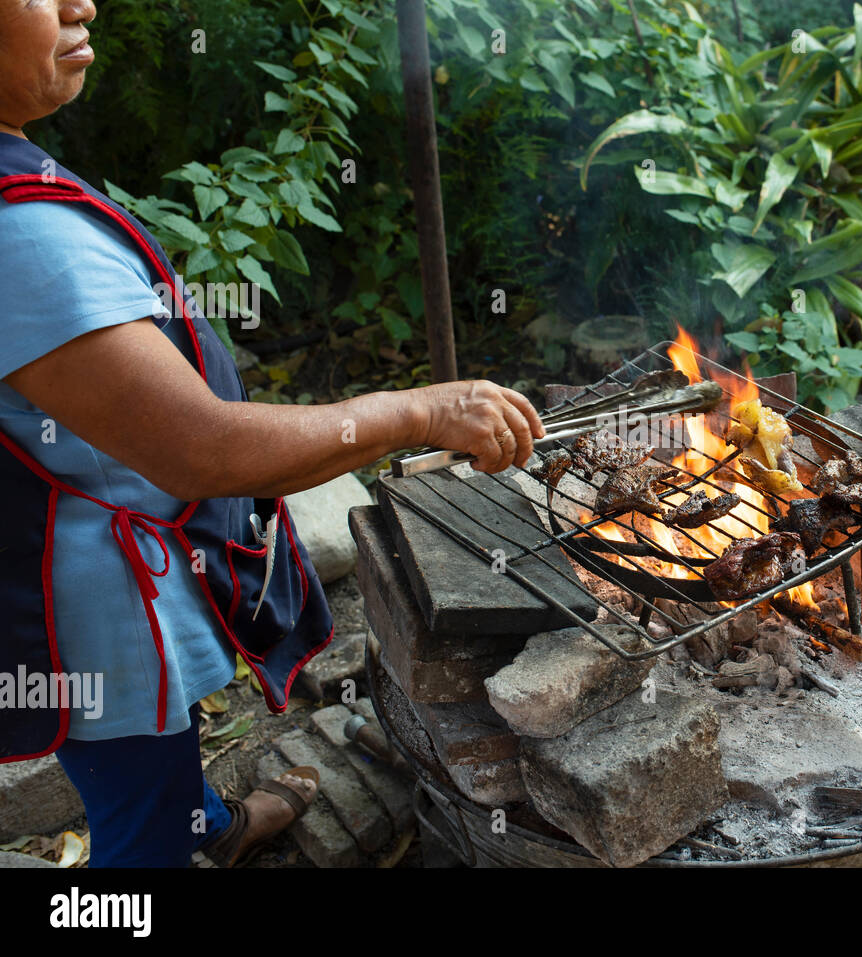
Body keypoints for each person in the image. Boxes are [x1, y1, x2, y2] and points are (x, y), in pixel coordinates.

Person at [0, 0, 545, 867]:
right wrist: (422, 410)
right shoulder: (18, 236)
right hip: (86, 611)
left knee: (154, 757)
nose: (82, 3)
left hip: (85, 562)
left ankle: (211, 829)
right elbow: (203, 451)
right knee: (134, 824)